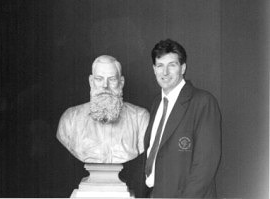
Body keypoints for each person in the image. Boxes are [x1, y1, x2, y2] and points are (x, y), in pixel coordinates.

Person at [144, 39, 222, 198]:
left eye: (172, 65)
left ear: (183, 68)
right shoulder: (156, 103)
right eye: (160, 66)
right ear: (154, 69)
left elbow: (205, 166)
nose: (165, 72)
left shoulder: (203, 102)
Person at [57, 55, 149, 164]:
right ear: (91, 81)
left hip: (126, 179)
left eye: (112, 79)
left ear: (121, 82)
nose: (105, 85)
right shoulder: (70, 119)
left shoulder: (140, 119)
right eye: (99, 79)